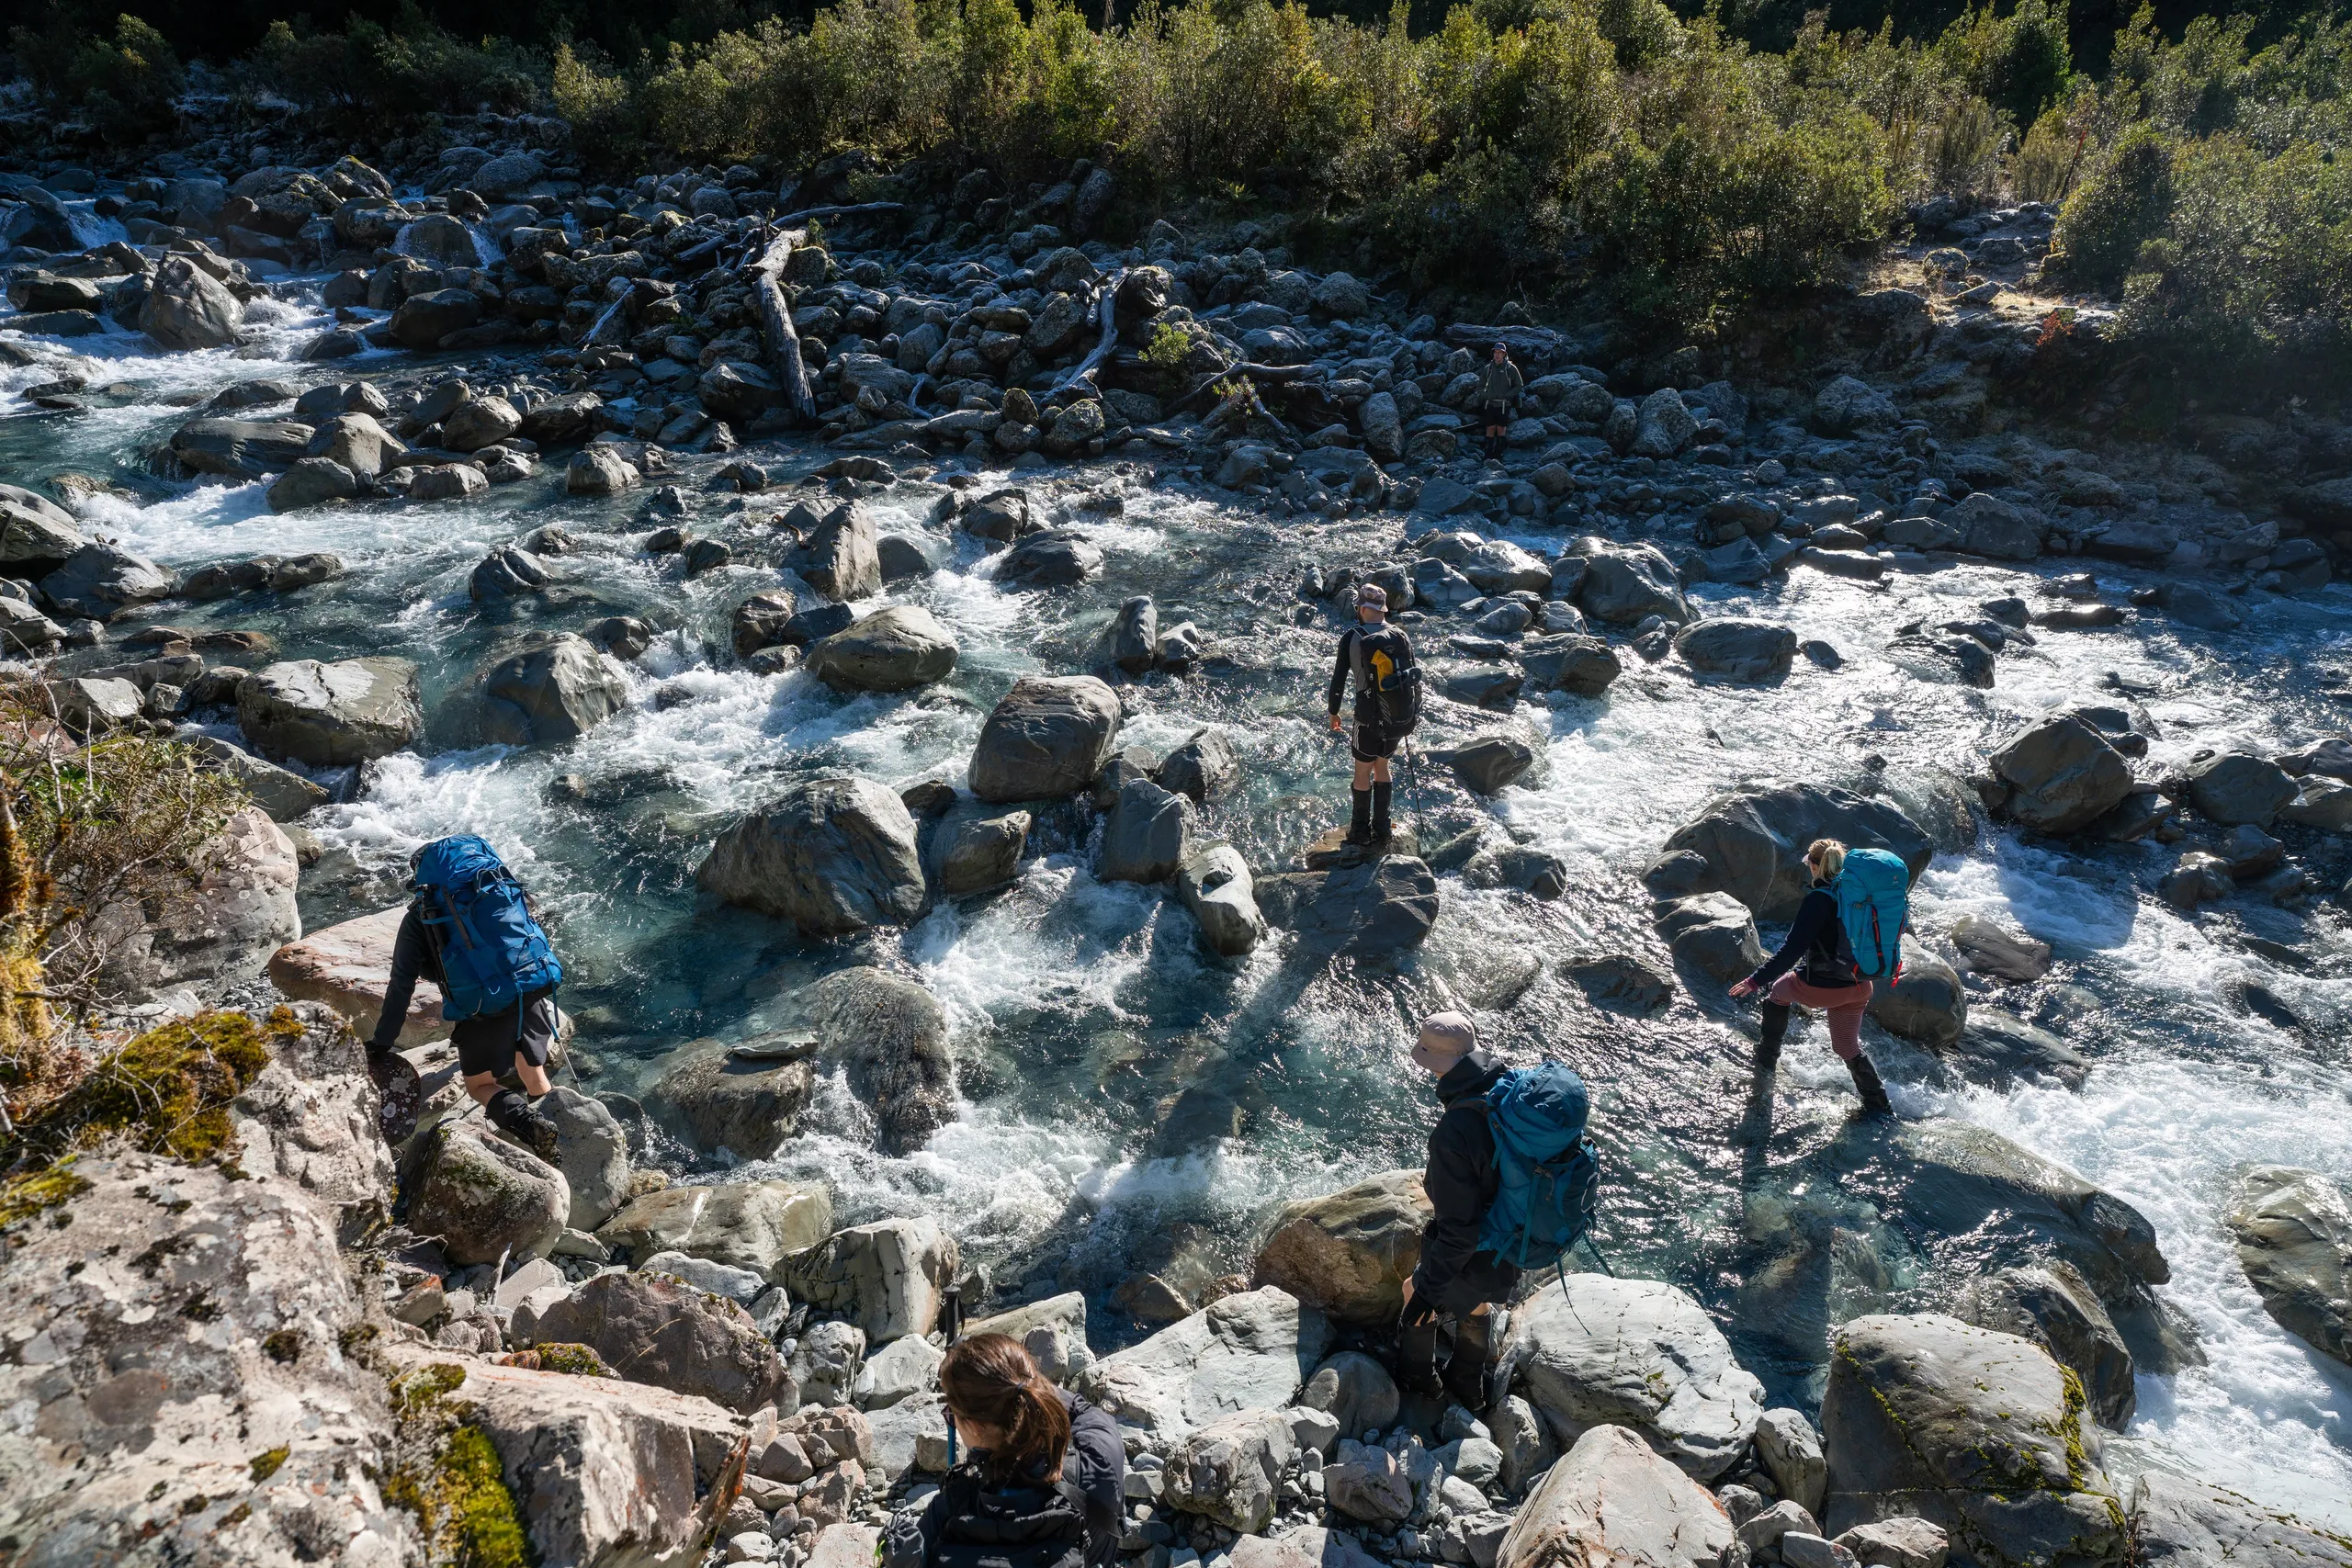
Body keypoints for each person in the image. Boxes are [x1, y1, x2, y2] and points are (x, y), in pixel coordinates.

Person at [368, 840, 565, 1158]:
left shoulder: (421, 917)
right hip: (529, 991)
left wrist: (382, 1043)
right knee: (534, 1073)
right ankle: (562, 1139)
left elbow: (401, 985)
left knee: (479, 1086)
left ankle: (529, 1125)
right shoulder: (495, 889)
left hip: (482, 1009)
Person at [882, 1332, 1125, 1568]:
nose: (950, 1418)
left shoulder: (950, 1506)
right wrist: (1016, 1381)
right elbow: (1086, 1413)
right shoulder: (1096, 1463)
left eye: (951, 1414)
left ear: (975, 1428)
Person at [1396, 1011, 1517, 1413]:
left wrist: (1426, 1295)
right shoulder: (1503, 1083)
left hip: (1478, 1237)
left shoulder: (1454, 1131)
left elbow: (1459, 1232)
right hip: (1512, 1231)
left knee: (1412, 1291)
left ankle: (1421, 1382)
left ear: (1440, 1065)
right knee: (1478, 1299)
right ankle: (1470, 1384)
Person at [1729, 838, 1894, 1116]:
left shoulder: (1818, 899)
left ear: (1816, 866)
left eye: (1809, 864)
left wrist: (1754, 980)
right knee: (1846, 1047)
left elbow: (1791, 951)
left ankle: (1766, 1062)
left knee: (1778, 992)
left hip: (1821, 988)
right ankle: (1880, 1106)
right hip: (1859, 985)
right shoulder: (1860, 897)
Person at [1325, 584, 1414, 847]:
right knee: (1382, 766)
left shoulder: (1352, 637)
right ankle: (1383, 828)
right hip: (1396, 715)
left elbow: (1338, 680)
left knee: (1362, 770)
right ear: (1383, 609)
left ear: (1362, 608)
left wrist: (1333, 711)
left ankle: (1360, 831)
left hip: (1366, 716)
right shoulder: (1400, 635)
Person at [1478, 342, 1523, 461]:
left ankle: (1499, 456)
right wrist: (1486, 395)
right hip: (1490, 404)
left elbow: (1519, 385)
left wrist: (1507, 395)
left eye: (1500, 352)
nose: (1497, 355)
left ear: (1504, 354)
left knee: (1501, 429)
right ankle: (1487, 456)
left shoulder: (1511, 369)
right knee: (1490, 428)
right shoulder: (1488, 369)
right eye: (1495, 352)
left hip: (1504, 405)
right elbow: (1480, 386)